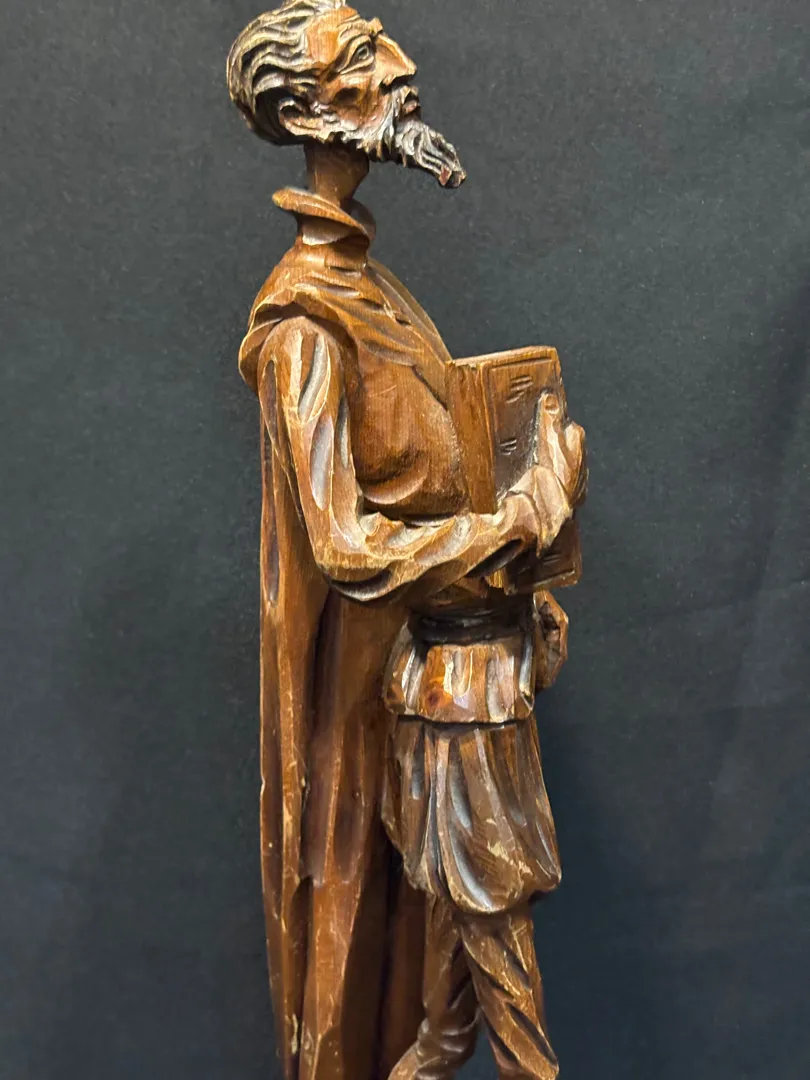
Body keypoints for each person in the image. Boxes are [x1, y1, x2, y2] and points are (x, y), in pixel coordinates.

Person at [227, 3, 586, 1078]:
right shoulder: (304, 325)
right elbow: (344, 545)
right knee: (476, 972)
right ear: (307, 113)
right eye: (362, 57)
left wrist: (527, 576)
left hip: (460, 679)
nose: (401, 64)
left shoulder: (372, 288)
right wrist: (513, 524)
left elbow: (434, 473)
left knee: (445, 1002)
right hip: (421, 696)